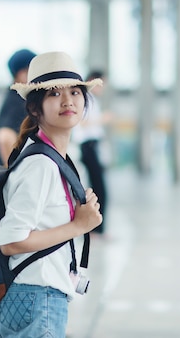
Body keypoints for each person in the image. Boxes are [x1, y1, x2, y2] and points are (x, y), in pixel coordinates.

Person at [0, 51, 104, 337]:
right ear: (35, 109)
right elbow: (11, 241)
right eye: (54, 94)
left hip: (33, 294)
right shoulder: (41, 164)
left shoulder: (51, 157)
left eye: (75, 92)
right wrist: (79, 225)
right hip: (36, 295)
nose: (67, 100)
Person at [73, 70, 111, 235]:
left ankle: (97, 230)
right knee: (99, 189)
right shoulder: (87, 99)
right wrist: (103, 119)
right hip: (88, 146)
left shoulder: (91, 99)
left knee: (99, 188)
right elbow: (82, 122)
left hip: (92, 146)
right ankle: (96, 230)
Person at [0, 48, 36, 166]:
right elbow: (5, 137)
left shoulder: (22, 98)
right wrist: (15, 172)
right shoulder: (16, 100)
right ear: (21, 73)